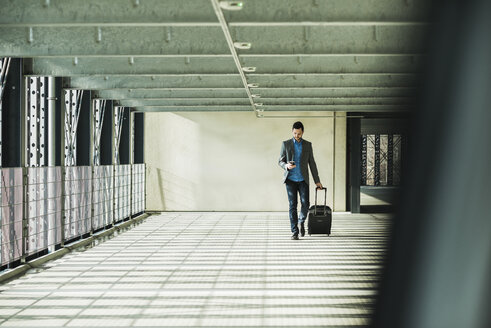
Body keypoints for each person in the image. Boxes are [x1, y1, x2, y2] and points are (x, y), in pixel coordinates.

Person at [278, 121, 323, 240]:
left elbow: (312, 163)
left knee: (306, 204)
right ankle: (294, 231)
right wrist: (286, 166)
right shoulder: (286, 144)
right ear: (292, 131)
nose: (296, 136)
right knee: (293, 205)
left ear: (302, 132)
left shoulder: (308, 145)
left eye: (299, 133)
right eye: (294, 133)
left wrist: (317, 181)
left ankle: (301, 221)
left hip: (303, 180)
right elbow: (280, 161)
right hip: (290, 180)